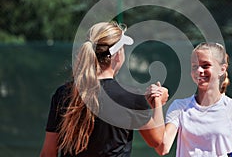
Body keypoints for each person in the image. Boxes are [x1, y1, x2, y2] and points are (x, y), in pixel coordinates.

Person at [40, 21, 168, 157]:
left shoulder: (63, 93)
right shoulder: (131, 97)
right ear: (118, 55)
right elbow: (157, 140)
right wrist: (158, 102)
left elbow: (48, 153)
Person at [147, 42, 232, 157]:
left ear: (222, 69)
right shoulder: (179, 107)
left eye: (205, 65)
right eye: (194, 66)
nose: (199, 70)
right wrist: (157, 104)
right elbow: (162, 148)